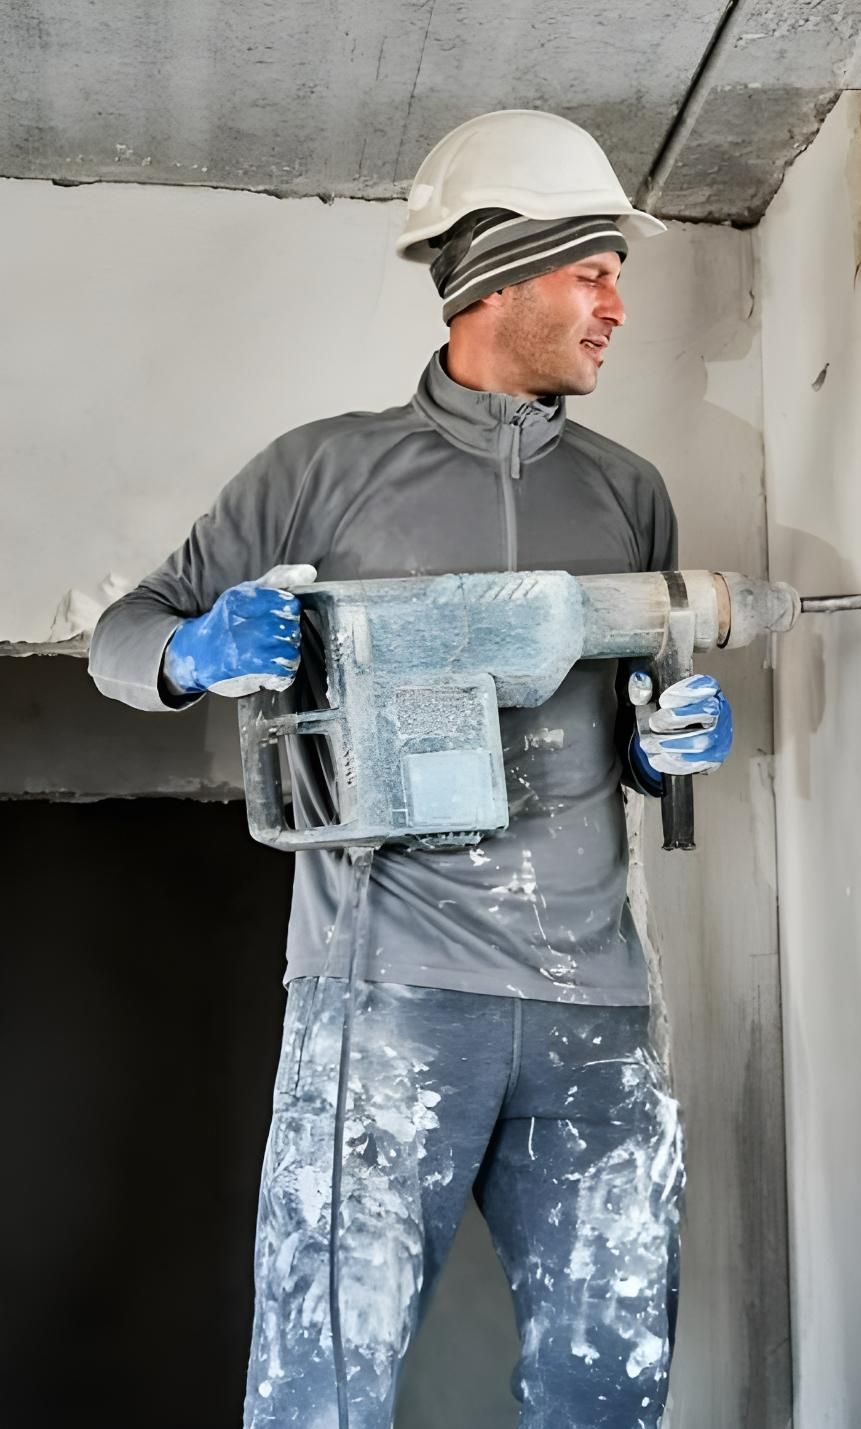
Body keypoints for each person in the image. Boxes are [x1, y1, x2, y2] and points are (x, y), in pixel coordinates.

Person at [87, 109, 734, 1429]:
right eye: (593, 269)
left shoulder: (628, 495)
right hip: (385, 995)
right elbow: (119, 636)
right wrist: (197, 650)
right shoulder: (323, 474)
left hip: (590, 1009)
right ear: (500, 270)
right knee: (324, 1386)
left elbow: (638, 729)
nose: (619, 305)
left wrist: (674, 744)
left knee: (609, 1387)